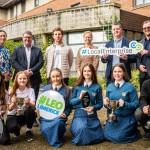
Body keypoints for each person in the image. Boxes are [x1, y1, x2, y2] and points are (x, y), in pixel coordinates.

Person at [12, 31, 44, 127]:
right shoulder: (17, 49)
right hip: (20, 78)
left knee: (33, 99)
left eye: (29, 37)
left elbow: (41, 62)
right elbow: (14, 62)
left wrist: (31, 71)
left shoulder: (37, 50)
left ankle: (32, 118)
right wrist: (24, 72)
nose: (27, 39)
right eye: (25, 37)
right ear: (22, 39)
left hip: (34, 78)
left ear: (32, 39)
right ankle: (18, 116)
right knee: (18, 97)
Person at [103, 63, 140, 143]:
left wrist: (125, 104)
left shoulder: (130, 87)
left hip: (127, 118)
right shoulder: (109, 87)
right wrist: (106, 103)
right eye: (115, 71)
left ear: (124, 73)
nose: (117, 74)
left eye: (119, 71)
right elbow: (108, 106)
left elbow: (136, 103)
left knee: (119, 137)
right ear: (112, 73)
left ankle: (135, 132)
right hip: (114, 117)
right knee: (106, 135)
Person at [69, 63, 103, 145]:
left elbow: (100, 104)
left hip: (92, 115)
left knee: (99, 134)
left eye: (89, 71)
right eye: (84, 71)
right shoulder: (77, 87)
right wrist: (79, 98)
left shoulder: (97, 87)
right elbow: (71, 102)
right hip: (79, 114)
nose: (86, 73)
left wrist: (93, 108)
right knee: (82, 128)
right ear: (82, 72)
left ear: (92, 73)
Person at [39, 68, 71, 147]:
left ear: (61, 77)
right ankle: (56, 136)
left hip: (59, 116)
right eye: (53, 77)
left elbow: (69, 106)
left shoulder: (67, 90)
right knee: (44, 129)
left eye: (57, 76)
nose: (55, 79)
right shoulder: (45, 89)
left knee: (57, 123)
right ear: (50, 77)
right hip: (47, 116)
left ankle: (56, 139)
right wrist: (38, 109)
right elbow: (41, 103)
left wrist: (65, 113)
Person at [6, 71, 37, 142]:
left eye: (24, 78)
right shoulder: (12, 91)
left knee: (31, 109)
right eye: (20, 78)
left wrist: (28, 103)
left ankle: (28, 130)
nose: (22, 80)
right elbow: (9, 109)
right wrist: (13, 103)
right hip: (13, 115)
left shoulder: (31, 90)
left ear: (27, 80)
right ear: (16, 79)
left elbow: (33, 104)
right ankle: (17, 129)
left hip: (24, 115)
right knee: (11, 128)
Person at [137, 20, 150, 90]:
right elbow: (137, 58)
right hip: (143, 75)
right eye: (145, 28)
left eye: (148, 27)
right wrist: (139, 66)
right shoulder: (140, 43)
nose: (147, 29)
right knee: (143, 96)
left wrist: (148, 53)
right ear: (143, 30)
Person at [0, 72, 10, 145]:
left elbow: (4, 108)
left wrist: (3, 111)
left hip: (0, 119)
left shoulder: (5, 92)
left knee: (5, 140)